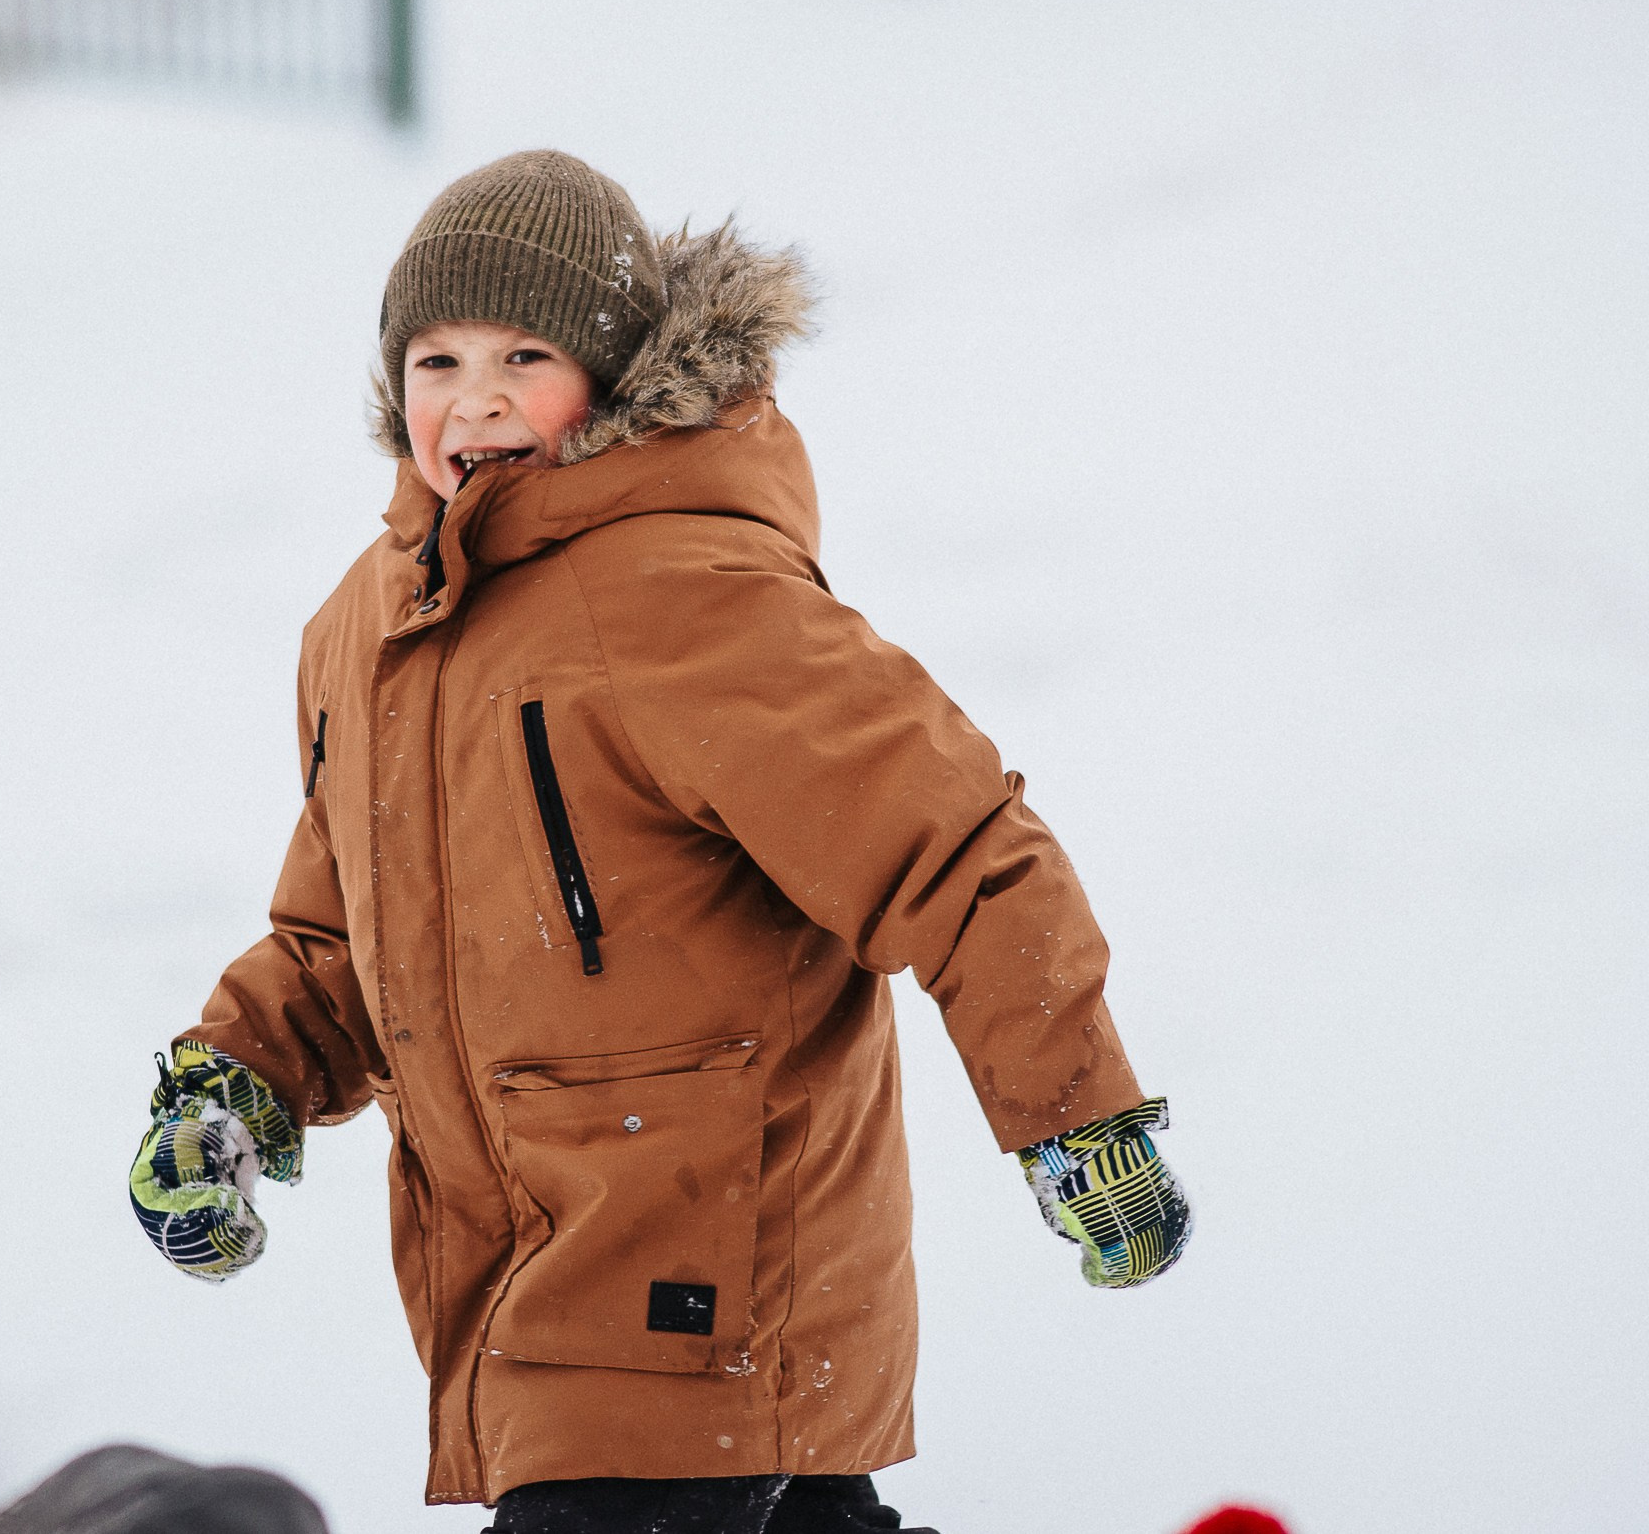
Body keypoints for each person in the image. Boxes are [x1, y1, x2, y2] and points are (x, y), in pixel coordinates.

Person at [127, 151, 1191, 1534]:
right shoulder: (362, 636)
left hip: (719, 1283)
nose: (478, 398)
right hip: (535, 1309)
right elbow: (345, 940)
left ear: (621, 374)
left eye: (528, 353)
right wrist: (241, 1078)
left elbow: (955, 847)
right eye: (437, 359)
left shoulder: (689, 594)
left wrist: (1077, 1120)